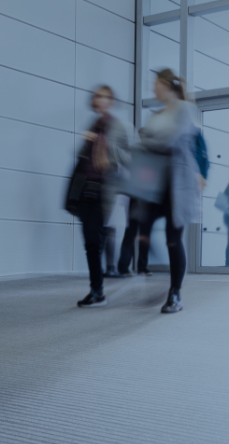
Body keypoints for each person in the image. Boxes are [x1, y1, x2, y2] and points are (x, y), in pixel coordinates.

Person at [132, 68, 202, 313]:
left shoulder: (184, 109)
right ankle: (157, 281)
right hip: (155, 183)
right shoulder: (156, 115)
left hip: (178, 184)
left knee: (173, 239)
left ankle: (175, 293)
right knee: (143, 230)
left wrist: (145, 140)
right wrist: (146, 140)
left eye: (155, 85)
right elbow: (145, 143)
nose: (152, 89)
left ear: (165, 85)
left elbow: (170, 141)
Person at [70, 86, 130, 308]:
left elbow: (129, 158)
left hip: (103, 189)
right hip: (85, 188)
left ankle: (98, 291)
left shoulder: (120, 127)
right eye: (98, 96)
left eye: (105, 96)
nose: (101, 100)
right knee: (90, 242)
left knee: (94, 240)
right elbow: (82, 159)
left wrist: (107, 147)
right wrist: (88, 143)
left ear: (111, 100)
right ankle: (96, 290)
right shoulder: (93, 125)